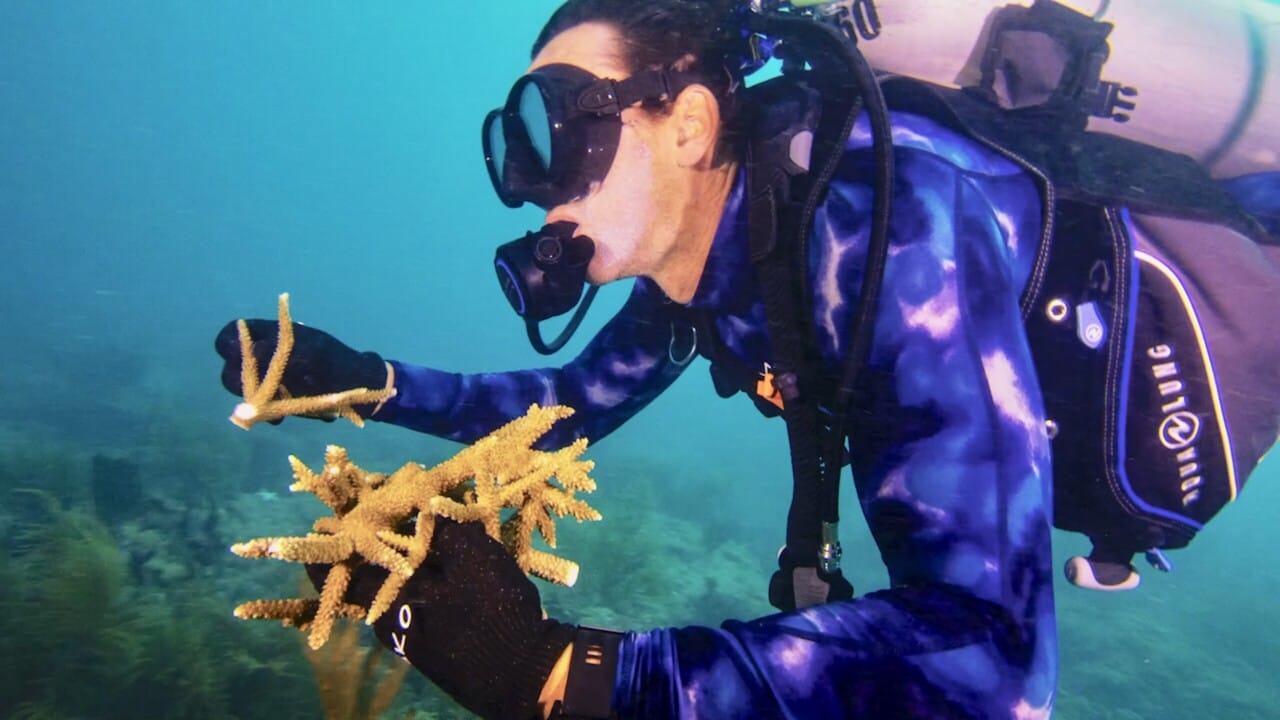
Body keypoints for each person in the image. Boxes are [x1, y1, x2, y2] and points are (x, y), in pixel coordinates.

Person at [217, 1, 1058, 717]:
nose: (536, 185)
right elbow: (565, 405)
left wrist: (568, 677)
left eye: (557, 126)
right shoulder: (704, 264)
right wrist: (366, 383)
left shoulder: (896, 229)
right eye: (518, 149)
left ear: (689, 124)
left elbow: (1000, 659)